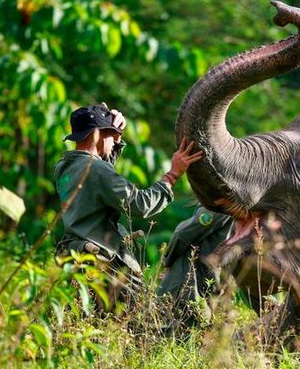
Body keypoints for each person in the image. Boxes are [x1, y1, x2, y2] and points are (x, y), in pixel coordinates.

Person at [54, 103, 202, 310]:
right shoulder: (96, 170)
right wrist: (173, 175)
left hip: (73, 257)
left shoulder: (63, 167)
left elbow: (102, 177)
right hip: (101, 263)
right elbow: (140, 205)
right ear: (99, 134)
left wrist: (115, 137)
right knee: (140, 320)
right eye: (110, 135)